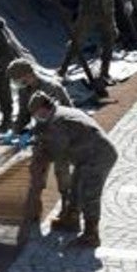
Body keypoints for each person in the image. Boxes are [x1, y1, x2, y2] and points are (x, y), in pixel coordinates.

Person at [21, 91, 118, 248]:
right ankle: (71, 220)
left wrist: (40, 154)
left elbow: (58, 152)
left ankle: (91, 235)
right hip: (85, 155)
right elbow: (42, 127)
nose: (35, 117)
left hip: (98, 156)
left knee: (90, 193)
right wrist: (32, 134)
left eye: (36, 114)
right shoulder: (57, 112)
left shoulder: (58, 121)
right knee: (76, 186)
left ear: (44, 109)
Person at [6, 60, 78, 230]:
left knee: (63, 174)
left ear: (28, 75)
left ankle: (68, 210)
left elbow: (57, 116)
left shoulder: (51, 88)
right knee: (36, 173)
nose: (17, 83)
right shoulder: (25, 90)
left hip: (61, 136)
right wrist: (15, 132)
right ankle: (34, 209)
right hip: (42, 138)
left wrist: (33, 132)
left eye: (18, 78)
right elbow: (24, 114)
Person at [54, 0, 124, 93]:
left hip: (107, 11)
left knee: (110, 39)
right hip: (88, 11)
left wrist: (127, 2)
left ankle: (105, 72)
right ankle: (63, 70)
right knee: (77, 40)